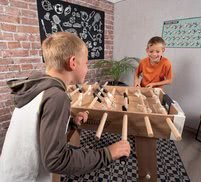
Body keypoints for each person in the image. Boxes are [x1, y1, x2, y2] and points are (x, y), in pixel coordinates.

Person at [0, 32, 130, 182]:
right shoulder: (57, 97)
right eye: (86, 63)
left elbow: (36, 130)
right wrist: (108, 153)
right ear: (73, 62)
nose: (87, 68)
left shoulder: (37, 87)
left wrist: (70, 123)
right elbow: (56, 160)